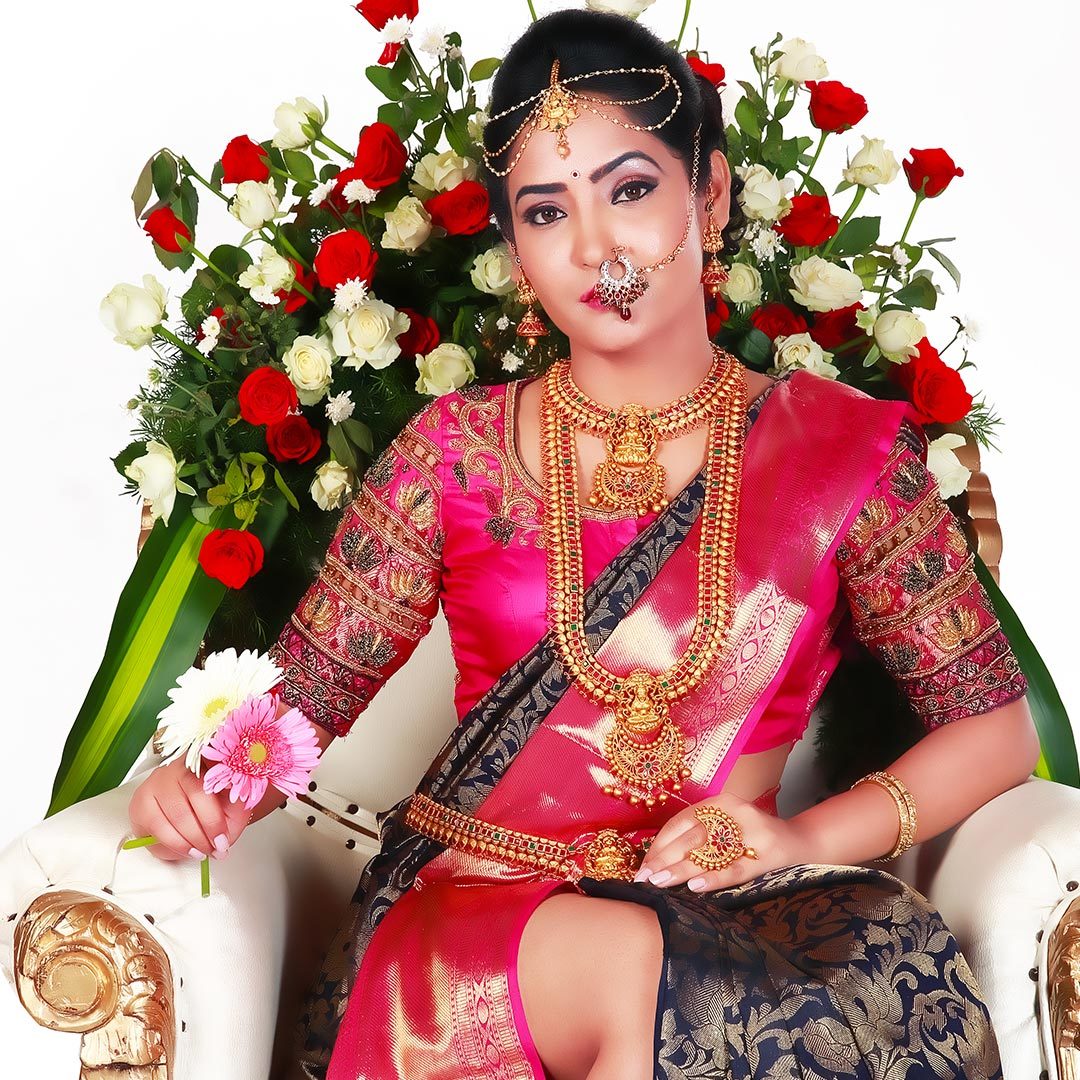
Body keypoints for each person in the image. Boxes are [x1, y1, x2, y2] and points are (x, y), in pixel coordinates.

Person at [128, 9, 1039, 1079]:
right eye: (548, 211)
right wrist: (200, 787)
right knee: (632, 961)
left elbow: (995, 729)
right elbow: (298, 707)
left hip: (732, 915)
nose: (597, 247)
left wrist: (801, 839)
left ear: (710, 194)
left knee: (742, 985)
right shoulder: (455, 454)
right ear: (515, 250)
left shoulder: (846, 456)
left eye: (632, 189)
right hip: (481, 922)